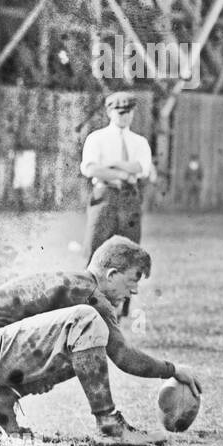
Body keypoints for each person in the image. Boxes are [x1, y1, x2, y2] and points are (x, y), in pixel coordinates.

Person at [0, 236, 202, 445]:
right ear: (112, 274)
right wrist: (174, 369)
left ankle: (2, 400)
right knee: (87, 321)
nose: (134, 290)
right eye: (133, 279)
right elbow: (124, 356)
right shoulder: (90, 293)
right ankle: (109, 424)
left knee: (87, 348)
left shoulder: (80, 285)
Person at [80, 92, 153, 317]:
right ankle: (88, 300)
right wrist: (122, 172)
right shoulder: (97, 138)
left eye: (128, 112)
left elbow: (142, 169)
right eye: (119, 112)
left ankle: (123, 305)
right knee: (95, 246)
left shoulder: (139, 141)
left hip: (130, 197)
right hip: (105, 195)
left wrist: (112, 164)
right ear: (110, 112)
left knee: (130, 252)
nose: (123, 117)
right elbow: (90, 169)